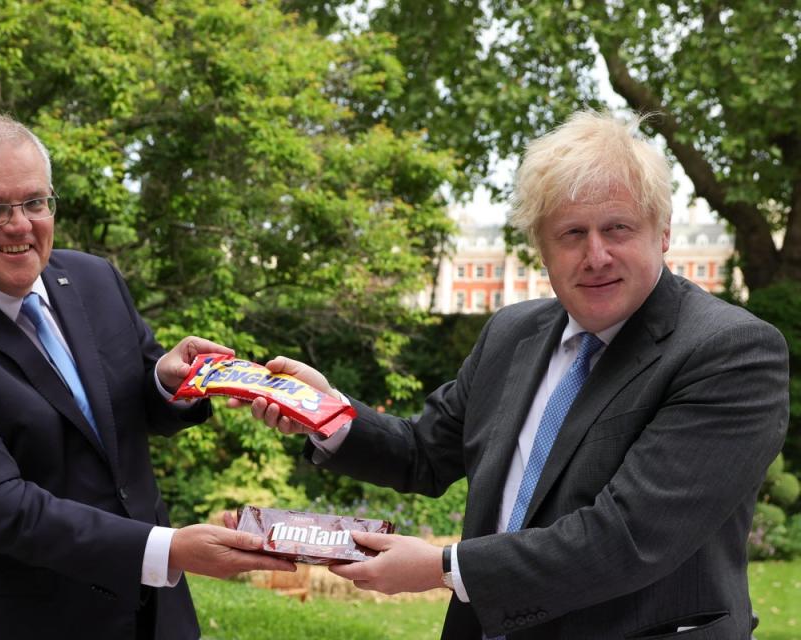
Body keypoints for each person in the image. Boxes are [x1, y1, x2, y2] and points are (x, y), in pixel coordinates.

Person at [249, 110, 789, 638]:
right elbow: (423, 452)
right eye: (571, 233)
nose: (596, 254)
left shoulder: (730, 351)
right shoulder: (512, 333)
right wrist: (324, 413)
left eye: (617, 228)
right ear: (541, 247)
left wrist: (443, 567)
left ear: (663, 232)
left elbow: (627, 539)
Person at [0, 114, 293, 640]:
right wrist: (168, 548)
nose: (20, 224)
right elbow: (0, 509)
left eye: (34, 202)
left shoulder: (94, 278)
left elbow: (126, 409)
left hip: (156, 618)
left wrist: (166, 381)